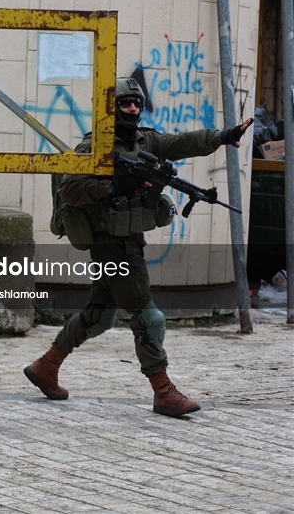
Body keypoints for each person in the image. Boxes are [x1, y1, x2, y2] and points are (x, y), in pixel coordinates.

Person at [24, 77, 252, 418]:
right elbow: (69, 188)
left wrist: (222, 136)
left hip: (130, 239)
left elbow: (182, 142)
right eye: (125, 103)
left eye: (137, 103)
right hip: (111, 243)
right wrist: (113, 186)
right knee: (149, 317)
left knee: (99, 316)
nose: (132, 108)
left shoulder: (146, 140)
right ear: (112, 108)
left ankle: (46, 366)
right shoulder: (95, 146)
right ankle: (163, 391)